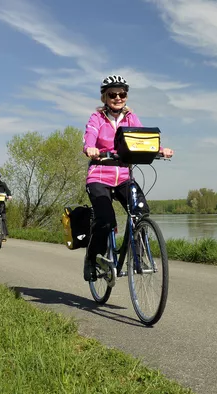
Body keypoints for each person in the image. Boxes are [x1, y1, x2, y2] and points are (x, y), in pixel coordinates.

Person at [82, 74, 174, 280]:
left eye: (122, 94)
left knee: (141, 212)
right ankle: (91, 258)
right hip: (99, 175)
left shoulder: (131, 117)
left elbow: (141, 139)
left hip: (124, 176)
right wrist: (90, 148)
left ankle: (139, 256)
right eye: (112, 94)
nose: (117, 98)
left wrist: (159, 150)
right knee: (105, 220)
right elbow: (90, 136)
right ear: (104, 97)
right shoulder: (97, 118)